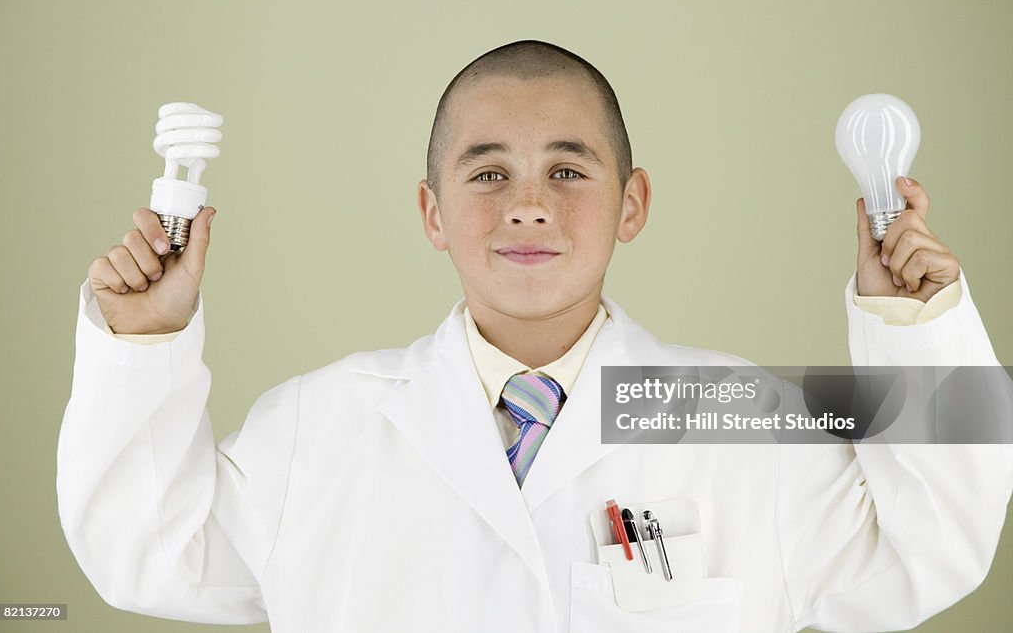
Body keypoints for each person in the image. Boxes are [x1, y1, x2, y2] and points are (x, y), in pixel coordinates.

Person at [58, 40, 1012, 632]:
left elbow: (939, 546)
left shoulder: (741, 414)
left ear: (632, 203)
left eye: (568, 170)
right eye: (485, 174)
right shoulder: (316, 426)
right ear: (432, 212)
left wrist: (913, 322)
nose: (526, 208)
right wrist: (143, 341)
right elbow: (144, 550)